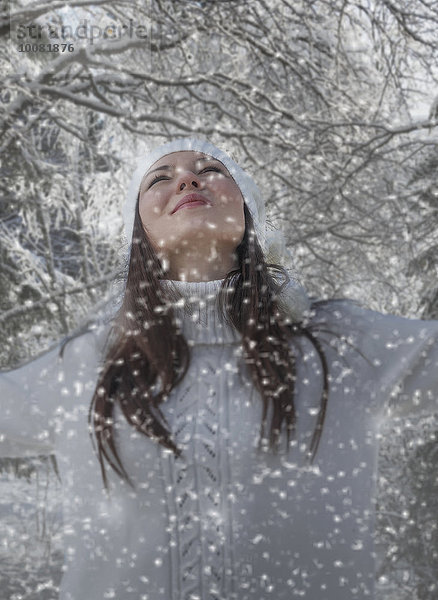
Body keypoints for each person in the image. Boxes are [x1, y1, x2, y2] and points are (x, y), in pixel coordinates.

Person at [1, 137, 438, 600]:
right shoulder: (85, 366)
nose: (187, 180)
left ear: (247, 211)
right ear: (139, 231)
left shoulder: (341, 344)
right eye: (160, 179)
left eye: (210, 170)